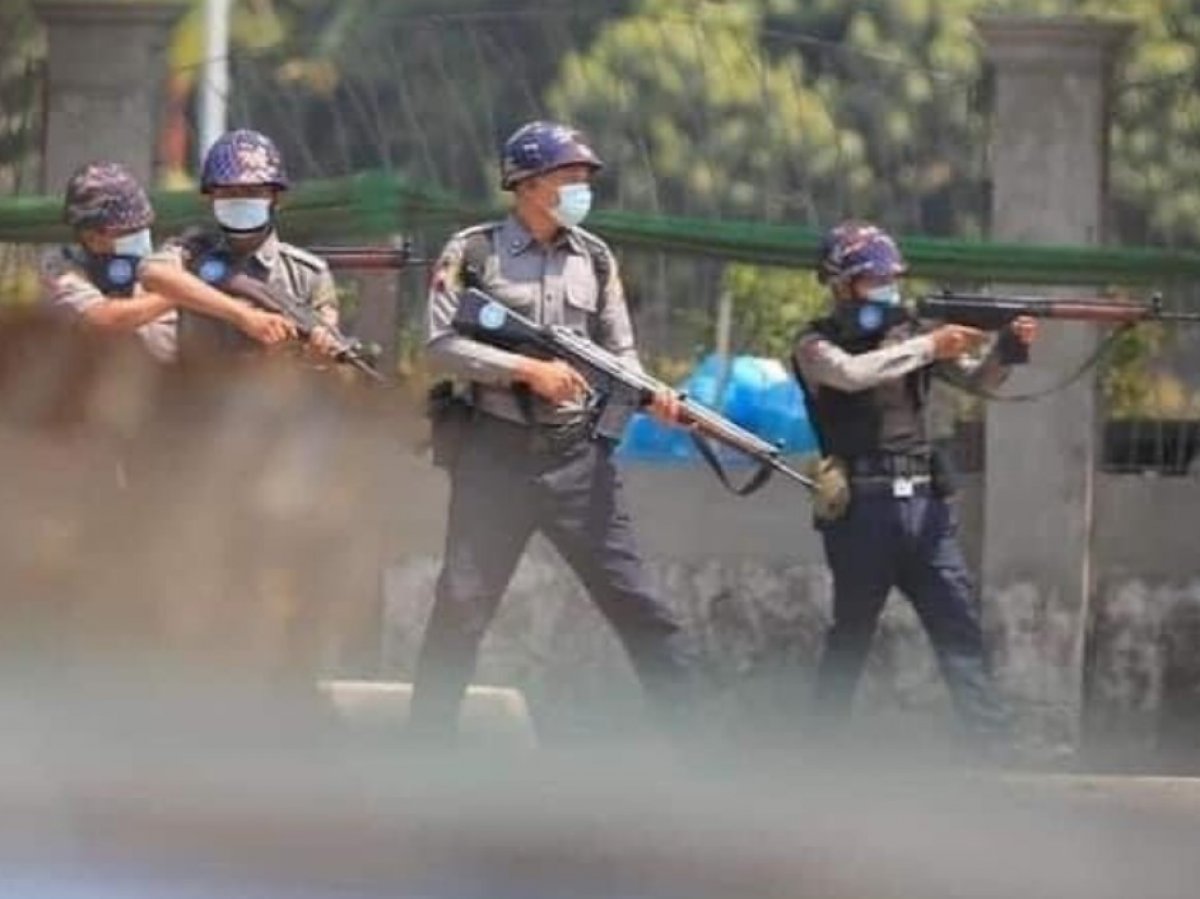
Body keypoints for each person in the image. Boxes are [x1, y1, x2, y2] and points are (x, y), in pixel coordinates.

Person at [411, 120, 693, 743]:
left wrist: (655, 397)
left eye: (585, 179)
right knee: (460, 606)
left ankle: (696, 749)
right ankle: (422, 752)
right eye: (569, 177)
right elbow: (440, 344)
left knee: (642, 608)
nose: (580, 188)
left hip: (577, 461)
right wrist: (526, 369)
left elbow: (621, 353)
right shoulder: (473, 253)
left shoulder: (595, 257)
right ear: (528, 183)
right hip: (494, 456)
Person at [791, 220, 1038, 752]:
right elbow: (853, 374)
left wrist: (1008, 351)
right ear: (840, 285)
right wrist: (932, 344)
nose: (887, 289)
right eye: (872, 280)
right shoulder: (815, 343)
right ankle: (816, 751)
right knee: (851, 634)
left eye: (891, 278)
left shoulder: (912, 337)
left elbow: (978, 383)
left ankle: (994, 747)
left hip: (925, 506)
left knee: (959, 628)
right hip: (862, 509)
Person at [42, 161, 293, 362]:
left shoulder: (170, 256)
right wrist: (188, 291)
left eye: (142, 227)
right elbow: (102, 321)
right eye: (126, 232)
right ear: (92, 238)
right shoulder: (63, 268)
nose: (139, 236)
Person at [170, 128, 340, 360]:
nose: (239, 199)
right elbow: (153, 275)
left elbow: (328, 337)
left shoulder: (306, 275)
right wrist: (243, 316)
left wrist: (319, 353)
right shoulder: (188, 255)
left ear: (277, 198)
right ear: (210, 199)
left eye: (252, 191)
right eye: (228, 192)